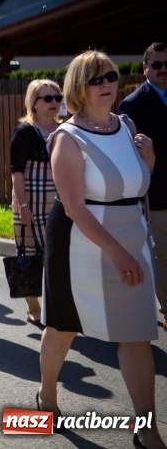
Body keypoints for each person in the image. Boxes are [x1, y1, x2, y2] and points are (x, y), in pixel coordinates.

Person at [39, 50, 164, 448]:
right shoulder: (67, 138)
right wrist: (117, 252)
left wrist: (149, 162)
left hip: (131, 237)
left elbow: (133, 186)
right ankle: (47, 395)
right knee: (64, 327)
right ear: (79, 86)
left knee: (137, 334)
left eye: (110, 76)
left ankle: (147, 429)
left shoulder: (127, 126)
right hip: (80, 242)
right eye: (96, 79)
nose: (107, 84)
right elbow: (74, 207)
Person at [119, 42, 167, 331]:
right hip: (158, 192)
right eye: (157, 65)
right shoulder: (132, 105)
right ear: (145, 68)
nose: (164, 70)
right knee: (164, 254)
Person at [9, 79, 62, 326]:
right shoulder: (25, 132)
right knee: (29, 255)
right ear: (34, 103)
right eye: (47, 98)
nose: (54, 102)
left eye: (57, 97)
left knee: (59, 256)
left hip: (61, 204)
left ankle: (58, 307)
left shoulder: (65, 130)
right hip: (31, 204)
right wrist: (23, 207)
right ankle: (34, 307)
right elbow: (16, 172)